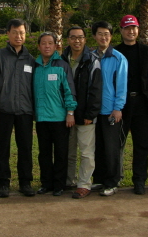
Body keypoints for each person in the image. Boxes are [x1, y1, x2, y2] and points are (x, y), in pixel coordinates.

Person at [0, 18, 37, 198]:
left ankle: (25, 182)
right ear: (8, 34)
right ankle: (3, 182)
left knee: (25, 147)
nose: (19, 36)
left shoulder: (30, 58)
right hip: (4, 109)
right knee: (3, 147)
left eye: (22, 33)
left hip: (25, 111)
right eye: (15, 32)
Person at [34, 32, 77, 197]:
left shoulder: (62, 65)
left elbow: (69, 90)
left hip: (59, 118)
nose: (46, 46)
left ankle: (59, 184)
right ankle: (46, 183)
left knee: (60, 153)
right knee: (44, 153)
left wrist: (70, 112)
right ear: (39, 46)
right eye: (43, 43)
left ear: (55, 46)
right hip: (41, 118)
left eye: (50, 43)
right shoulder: (35, 65)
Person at [61, 26, 102, 199]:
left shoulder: (92, 60)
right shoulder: (63, 59)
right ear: (68, 39)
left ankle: (84, 184)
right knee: (68, 151)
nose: (77, 41)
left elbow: (96, 89)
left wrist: (90, 114)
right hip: (66, 115)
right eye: (73, 37)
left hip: (85, 115)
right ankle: (69, 181)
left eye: (80, 37)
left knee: (86, 152)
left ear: (85, 39)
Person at [116, 15, 148, 195]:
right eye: (127, 28)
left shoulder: (147, 51)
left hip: (142, 102)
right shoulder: (115, 52)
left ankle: (139, 179)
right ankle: (115, 177)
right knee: (117, 143)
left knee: (142, 144)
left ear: (138, 30)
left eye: (134, 28)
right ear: (121, 30)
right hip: (121, 104)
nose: (131, 31)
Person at [91, 21, 128, 196]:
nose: (103, 37)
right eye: (100, 34)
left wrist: (118, 108)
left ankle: (112, 181)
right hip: (93, 111)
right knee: (97, 146)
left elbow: (121, 86)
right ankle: (99, 179)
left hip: (110, 110)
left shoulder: (118, 58)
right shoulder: (90, 56)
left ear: (111, 36)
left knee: (111, 148)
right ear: (94, 36)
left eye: (106, 34)